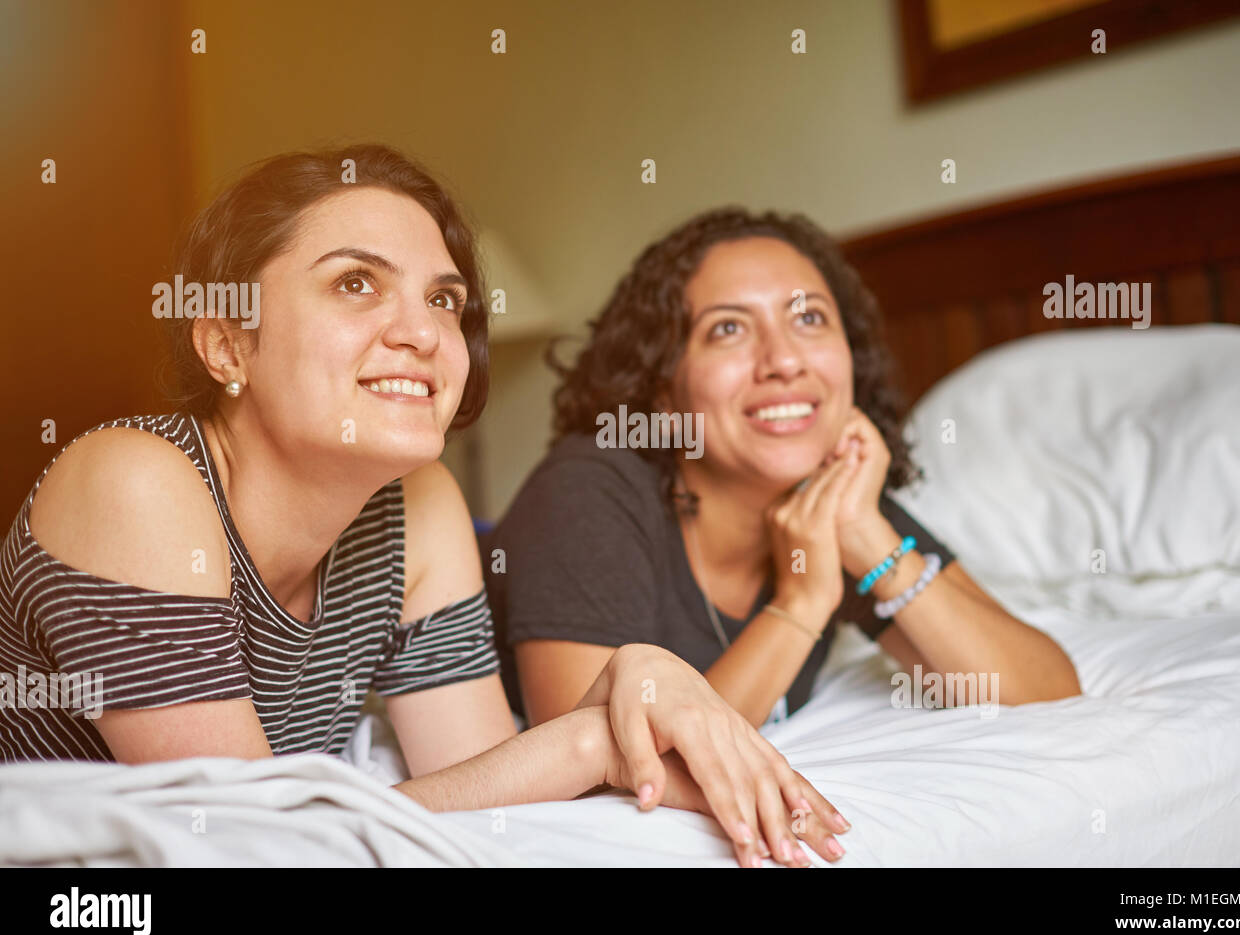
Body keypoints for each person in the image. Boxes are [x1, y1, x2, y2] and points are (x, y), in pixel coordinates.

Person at [0, 149, 849, 869]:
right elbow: (246, 847)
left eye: (443, 298)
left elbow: (483, 795)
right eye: (356, 283)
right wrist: (590, 739)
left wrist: (640, 671)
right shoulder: (131, 481)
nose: (424, 332)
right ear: (227, 341)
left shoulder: (419, 503)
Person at [487, 207, 1082, 731]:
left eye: (809, 319)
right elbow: (598, 771)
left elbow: (1043, 692)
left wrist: (870, 540)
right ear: (662, 390)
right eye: (728, 329)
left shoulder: (832, 501)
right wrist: (800, 604)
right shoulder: (586, 490)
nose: (783, 360)